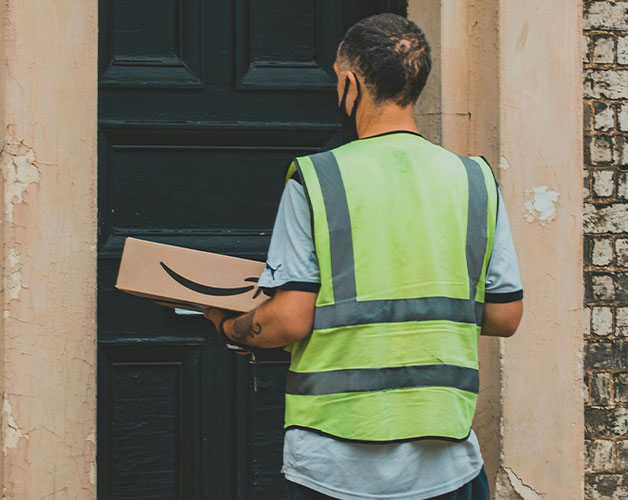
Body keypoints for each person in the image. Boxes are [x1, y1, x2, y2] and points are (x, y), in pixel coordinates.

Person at [204, 13, 523, 500]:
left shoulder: (317, 179)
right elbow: (504, 314)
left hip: (333, 463)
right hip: (445, 461)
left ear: (350, 82)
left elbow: (287, 321)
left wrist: (230, 327)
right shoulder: (475, 181)